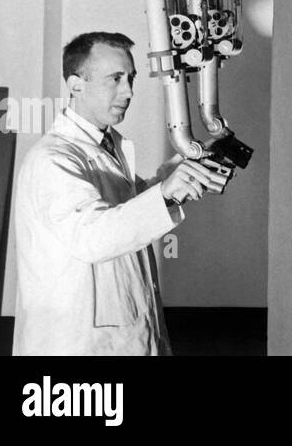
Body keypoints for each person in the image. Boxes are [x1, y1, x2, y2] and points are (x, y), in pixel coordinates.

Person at [12, 31, 230, 355]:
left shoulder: (105, 145)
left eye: (130, 78)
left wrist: (167, 180)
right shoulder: (53, 160)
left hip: (126, 332)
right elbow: (92, 236)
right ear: (75, 85)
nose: (128, 91)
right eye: (115, 79)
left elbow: (121, 212)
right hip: (79, 347)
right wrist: (165, 195)